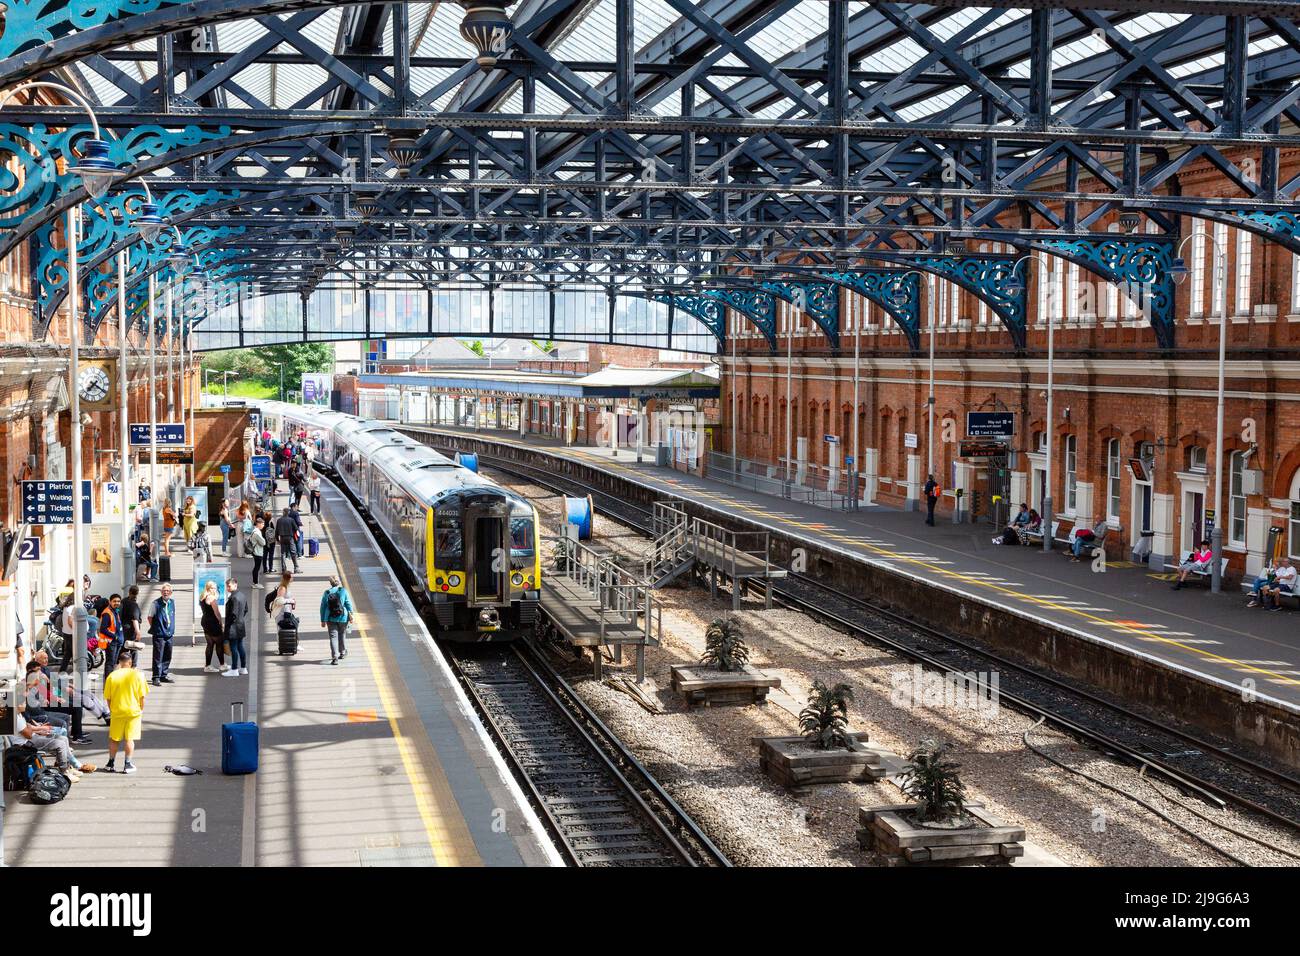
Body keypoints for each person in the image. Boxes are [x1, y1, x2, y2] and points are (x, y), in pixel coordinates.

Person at [103, 649, 148, 774]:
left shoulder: (112, 676)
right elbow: (142, 696)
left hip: (117, 710)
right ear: (130, 662)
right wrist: (140, 709)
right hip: (133, 711)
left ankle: (110, 763)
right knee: (129, 739)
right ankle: (127, 764)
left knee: (114, 738)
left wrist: (112, 710)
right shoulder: (138, 675)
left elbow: (108, 697)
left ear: (120, 662)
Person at [146, 583, 176, 685]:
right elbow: (150, 617)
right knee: (158, 656)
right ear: (161, 592)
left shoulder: (172, 602)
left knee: (168, 655)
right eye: (164, 591)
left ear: (171, 592)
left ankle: (164, 674)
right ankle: (156, 677)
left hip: (169, 633)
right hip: (159, 634)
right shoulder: (155, 603)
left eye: (167, 591)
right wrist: (156, 627)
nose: (165, 592)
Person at [320, 575, 354, 665]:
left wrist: (323, 620)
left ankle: (335, 658)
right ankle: (342, 652)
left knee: (333, 637)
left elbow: (322, 607)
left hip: (330, 618)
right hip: (343, 617)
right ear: (338, 582)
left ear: (330, 583)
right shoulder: (343, 591)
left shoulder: (326, 593)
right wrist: (351, 614)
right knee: (342, 634)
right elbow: (348, 604)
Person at [222, 578, 249, 677]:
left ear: (235, 585)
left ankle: (234, 669)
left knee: (233, 648)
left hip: (233, 627)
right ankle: (243, 667)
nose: (227, 588)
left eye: (229, 586)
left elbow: (233, 614)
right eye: (227, 586)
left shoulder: (234, 598)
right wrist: (240, 618)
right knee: (240, 646)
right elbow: (245, 610)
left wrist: (227, 624)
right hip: (241, 625)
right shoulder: (242, 595)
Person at [199, 580, 226, 673]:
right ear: (209, 588)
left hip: (205, 621)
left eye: (215, 588)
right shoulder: (211, 598)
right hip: (213, 623)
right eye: (213, 588)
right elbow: (217, 613)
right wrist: (221, 622)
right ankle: (222, 665)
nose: (215, 589)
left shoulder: (202, 596)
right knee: (219, 643)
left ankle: (207, 665)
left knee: (210, 644)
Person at [98, 593, 124, 678]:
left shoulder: (115, 611)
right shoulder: (107, 613)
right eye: (114, 601)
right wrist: (115, 637)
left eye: (118, 601)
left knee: (113, 663)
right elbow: (103, 629)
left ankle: (111, 681)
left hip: (116, 642)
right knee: (110, 663)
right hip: (111, 642)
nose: (117, 603)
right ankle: (108, 682)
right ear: (110, 602)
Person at [275, 507, 300, 574]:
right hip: (290, 537)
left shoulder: (279, 520)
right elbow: (296, 528)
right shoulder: (291, 520)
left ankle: (283, 569)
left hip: (282, 538)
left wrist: (277, 539)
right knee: (293, 552)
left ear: (283, 512)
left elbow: (276, 531)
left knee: (283, 553)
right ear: (288, 513)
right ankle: (296, 568)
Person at [249, 518, 267, 588]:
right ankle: (255, 583)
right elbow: (263, 542)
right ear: (258, 524)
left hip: (255, 551)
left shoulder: (254, 531)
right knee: (257, 568)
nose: (263, 525)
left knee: (256, 567)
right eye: (262, 524)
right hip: (258, 552)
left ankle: (255, 582)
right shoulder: (257, 533)